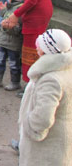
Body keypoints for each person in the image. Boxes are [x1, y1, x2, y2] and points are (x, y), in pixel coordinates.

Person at [18, 29, 72, 166]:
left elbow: (43, 118)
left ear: (44, 50)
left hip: (48, 144)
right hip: (63, 137)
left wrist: (30, 128)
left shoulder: (51, 79)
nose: (37, 48)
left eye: (39, 46)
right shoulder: (65, 69)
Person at [0, 0, 25, 91]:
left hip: (13, 44)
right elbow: (6, 15)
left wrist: (7, 27)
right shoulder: (11, 7)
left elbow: (17, 30)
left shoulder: (19, 12)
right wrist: (2, 10)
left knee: (14, 64)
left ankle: (15, 82)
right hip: (4, 42)